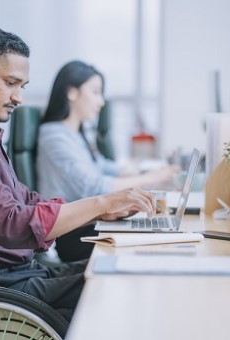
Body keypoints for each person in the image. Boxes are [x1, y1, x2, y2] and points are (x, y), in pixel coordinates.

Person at [0, 27, 156, 322]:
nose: (18, 97)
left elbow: (24, 199)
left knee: (116, 268)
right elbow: (11, 223)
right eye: (10, 83)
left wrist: (99, 213)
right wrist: (100, 204)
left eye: (22, 86)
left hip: (16, 274)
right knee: (115, 285)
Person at [36, 60, 179, 261]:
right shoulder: (54, 136)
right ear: (72, 92)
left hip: (91, 222)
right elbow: (94, 186)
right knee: (148, 246)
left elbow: (101, 166)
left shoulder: (77, 133)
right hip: (74, 233)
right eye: (95, 92)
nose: (101, 101)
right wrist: (150, 177)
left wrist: (141, 175)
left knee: (155, 235)